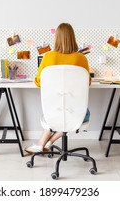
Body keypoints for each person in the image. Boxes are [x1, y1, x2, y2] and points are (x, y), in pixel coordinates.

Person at [25, 22, 91, 154]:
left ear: (56, 38)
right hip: (77, 113)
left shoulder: (48, 57)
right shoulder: (81, 58)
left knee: (57, 115)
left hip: (52, 111)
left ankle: (42, 143)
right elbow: (87, 82)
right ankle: (47, 143)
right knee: (74, 114)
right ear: (73, 38)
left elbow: (38, 82)